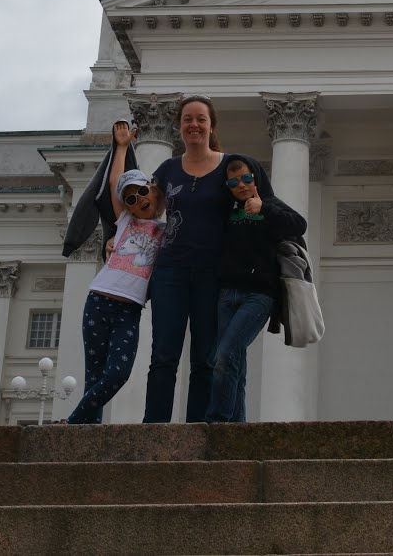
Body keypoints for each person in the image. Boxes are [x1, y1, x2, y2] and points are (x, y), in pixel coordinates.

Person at [142, 96, 277, 422]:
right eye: (188, 119)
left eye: (200, 119)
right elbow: (146, 211)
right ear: (179, 126)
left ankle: (196, 429)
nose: (194, 125)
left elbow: (262, 201)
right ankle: (154, 430)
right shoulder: (168, 168)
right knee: (163, 356)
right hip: (170, 271)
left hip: (213, 273)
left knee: (204, 358)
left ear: (211, 125)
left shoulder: (229, 166)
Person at [207, 157, 307, 422]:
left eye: (246, 178)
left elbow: (299, 225)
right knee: (235, 362)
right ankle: (237, 427)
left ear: (256, 178)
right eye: (233, 181)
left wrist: (264, 209)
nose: (241, 185)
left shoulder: (270, 204)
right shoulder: (226, 210)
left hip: (259, 295)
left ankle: (218, 422)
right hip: (227, 294)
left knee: (224, 354)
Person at [66, 169, 168, 423]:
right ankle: (85, 435)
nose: (139, 200)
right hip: (99, 300)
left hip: (129, 310)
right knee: (94, 375)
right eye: (131, 199)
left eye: (142, 192)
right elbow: (113, 182)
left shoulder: (166, 230)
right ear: (127, 207)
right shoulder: (124, 221)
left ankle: (73, 422)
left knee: (117, 373)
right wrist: (121, 146)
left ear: (153, 191)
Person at [61, 120, 139, 259]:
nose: (142, 198)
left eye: (145, 191)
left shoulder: (161, 228)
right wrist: (121, 149)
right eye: (132, 198)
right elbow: (116, 187)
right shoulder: (128, 224)